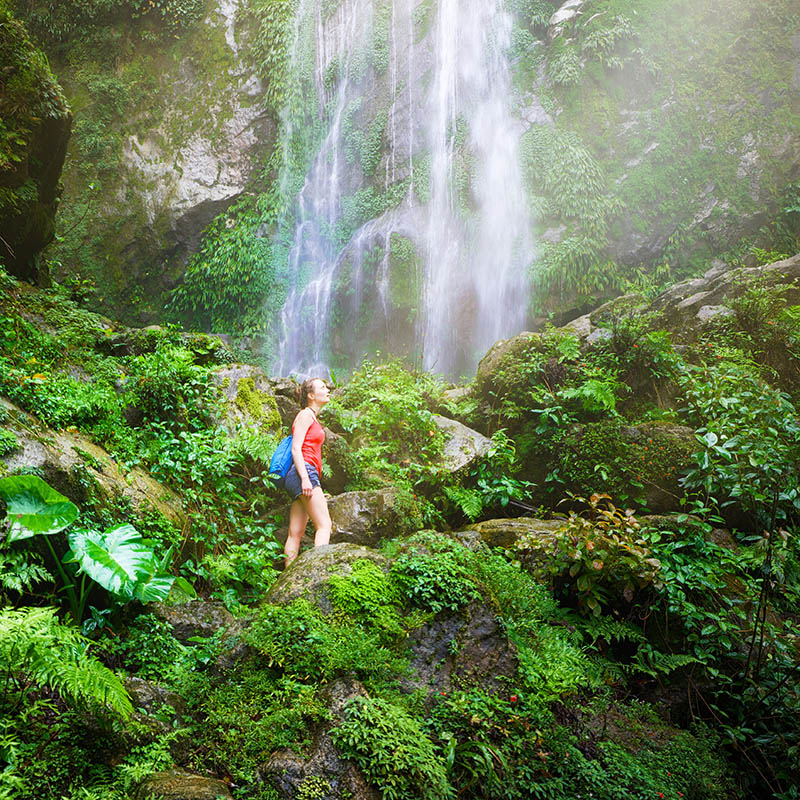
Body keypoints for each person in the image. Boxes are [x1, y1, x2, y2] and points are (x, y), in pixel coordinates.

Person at [283, 377, 332, 566]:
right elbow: (296, 448)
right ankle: (318, 571)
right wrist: (306, 479)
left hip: (301, 475)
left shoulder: (311, 416)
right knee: (324, 525)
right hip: (303, 473)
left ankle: (288, 578)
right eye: (322, 387)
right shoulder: (305, 415)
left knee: (295, 533)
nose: (327, 389)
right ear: (311, 395)